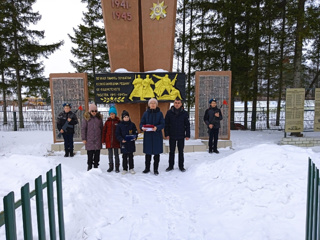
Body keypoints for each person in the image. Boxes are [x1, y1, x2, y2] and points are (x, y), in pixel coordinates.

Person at [140, 98, 165, 175]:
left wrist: (157, 128)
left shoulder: (160, 113)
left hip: (157, 136)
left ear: (156, 105)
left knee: (156, 154)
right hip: (148, 136)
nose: (153, 104)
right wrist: (142, 128)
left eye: (154, 103)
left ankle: (155, 169)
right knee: (148, 153)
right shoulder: (145, 113)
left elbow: (163, 124)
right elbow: (141, 123)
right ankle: (147, 168)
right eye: (151, 103)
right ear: (149, 105)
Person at [164, 98, 190, 172]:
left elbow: (187, 125)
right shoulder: (169, 112)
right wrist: (167, 134)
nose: (177, 104)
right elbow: (166, 124)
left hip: (181, 134)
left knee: (181, 151)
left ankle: (181, 166)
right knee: (171, 151)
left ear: (181, 104)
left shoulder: (184, 113)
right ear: (173, 103)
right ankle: (170, 166)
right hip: (172, 135)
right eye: (175, 103)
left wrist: (187, 135)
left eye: (178, 103)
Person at [81, 104, 103, 171]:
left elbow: (101, 128)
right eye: (92, 111)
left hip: (98, 139)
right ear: (90, 111)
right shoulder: (86, 119)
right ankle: (89, 165)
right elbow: (83, 129)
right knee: (90, 154)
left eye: (95, 111)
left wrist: (102, 138)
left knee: (97, 154)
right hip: (89, 139)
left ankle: (96, 165)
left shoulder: (99, 119)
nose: (94, 112)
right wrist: (84, 138)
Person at [116, 110, 138, 174]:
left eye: (127, 117)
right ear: (122, 118)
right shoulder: (120, 125)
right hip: (124, 143)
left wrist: (135, 137)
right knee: (124, 156)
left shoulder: (132, 124)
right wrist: (121, 139)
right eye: (125, 117)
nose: (126, 118)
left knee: (131, 156)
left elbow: (135, 132)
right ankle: (125, 168)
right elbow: (117, 134)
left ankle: (131, 168)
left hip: (131, 143)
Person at [102, 105, 121, 173]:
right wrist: (103, 140)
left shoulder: (118, 122)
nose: (112, 115)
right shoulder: (107, 122)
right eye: (111, 114)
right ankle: (111, 166)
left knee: (116, 154)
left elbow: (120, 131)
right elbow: (104, 131)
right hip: (109, 140)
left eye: (113, 114)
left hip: (116, 141)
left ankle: (117, 166)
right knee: (110, 154)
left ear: (115, 114)